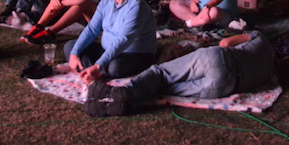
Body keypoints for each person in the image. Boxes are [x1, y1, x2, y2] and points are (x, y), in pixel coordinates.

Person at [84, 31, 274, 117]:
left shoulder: (260, 38)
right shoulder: (269, 71)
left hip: (218, 59)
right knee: (164, 88)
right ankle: (121, 103)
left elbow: (225, 43)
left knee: (161, 73)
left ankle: (124, 93)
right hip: (223, 87)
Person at [62, 0, 157, 83]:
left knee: (115, 67)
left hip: (133, 54)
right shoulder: (107, 0)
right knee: (70, 47)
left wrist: (98, 65)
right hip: (107, 50)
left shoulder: (136, 6)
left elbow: (124, 39)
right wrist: (74, 53)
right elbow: (92, 29)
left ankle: (95, 70)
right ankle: (94, 71)